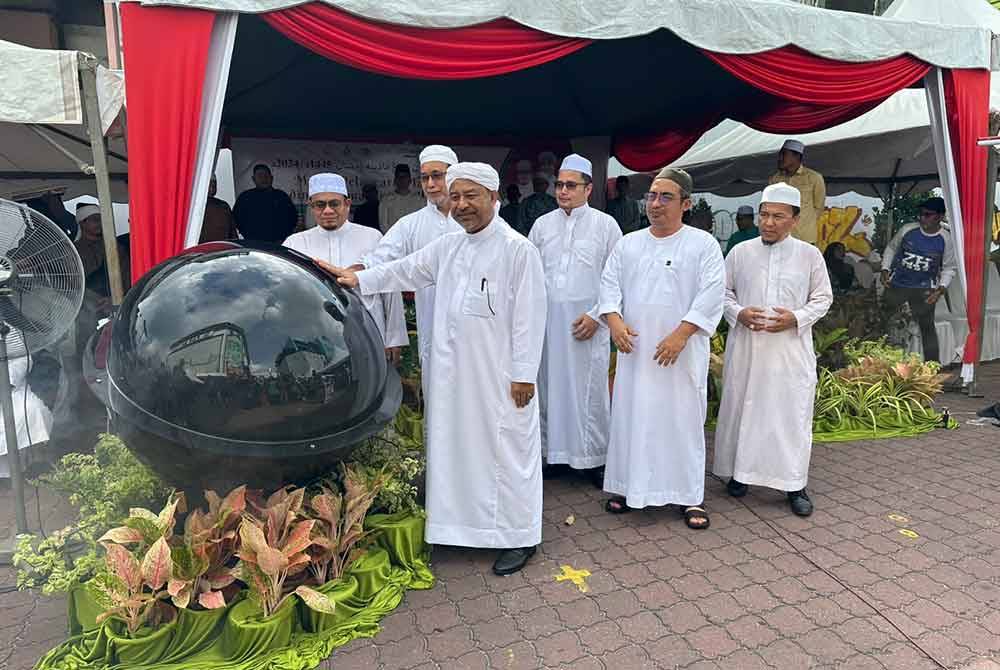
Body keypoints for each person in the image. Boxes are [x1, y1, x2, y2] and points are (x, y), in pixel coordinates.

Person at [325, 162, 547, 576]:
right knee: (456, 450)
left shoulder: (518, 250)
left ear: (494, 198)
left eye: (471, 196)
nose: (461, 205)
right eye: (455, 196)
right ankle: (461, 530)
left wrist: (523, 374)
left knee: (509, 453)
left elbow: (530, 320)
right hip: (454, 377)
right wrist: (358, 279)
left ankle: (520, 535)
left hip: (500, 380)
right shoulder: (449, 247)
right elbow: (402, 269)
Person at [598, 168, 724, 529]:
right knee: (631, 416)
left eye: (665, 197)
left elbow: (711, 294)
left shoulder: (703, 244)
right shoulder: (629, 243)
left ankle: (688, 496)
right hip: (635, 352)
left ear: (685, 203)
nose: (655, 203)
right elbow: (608, 287)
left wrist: (682, 335)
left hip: (680, 356)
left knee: (681, 420)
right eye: (652, 195)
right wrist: (615, 322)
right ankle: (627, 486)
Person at [713, 182, 833, 518]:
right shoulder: (740, 252)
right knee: (743, 410)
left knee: (787, 415)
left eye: (778, 216)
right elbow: (722, 294)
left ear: (794, 219)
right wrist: (739, 313)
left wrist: (795, 318)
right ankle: (740, 475)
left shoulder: (809, 255)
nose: (768, 222)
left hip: (789, 351)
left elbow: (823, 298)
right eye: (764, 215)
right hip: (747, 348)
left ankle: (794, 484)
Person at [529, 154, 621, 487]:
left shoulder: (606, 225)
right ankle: (552, 454)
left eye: (571, 185)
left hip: (588, 325)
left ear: (588, 188)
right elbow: (530, 274)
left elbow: (616, 278)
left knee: (590, 390)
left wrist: (598, 315)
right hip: (550, 325)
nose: (563, 191)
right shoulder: (542, 225)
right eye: (559, 185)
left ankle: (593, 458)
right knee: (549, 386)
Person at [358, 145, 463, 395]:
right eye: (425, 177)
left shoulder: (475, 219)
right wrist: (355, 272)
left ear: (454, 175)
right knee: (437, 392)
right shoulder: (412, 223)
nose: (430, 183)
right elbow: (380, 258)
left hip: (476, 325)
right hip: (433, 322)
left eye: (437, 175)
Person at [284, 173, 407, 363]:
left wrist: (394, 339)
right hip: (316, 340)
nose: (328, 211)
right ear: (311, 206)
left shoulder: (372, 237)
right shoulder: (295, 244)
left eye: (334, 203)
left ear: (347, 203)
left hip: (369, 334)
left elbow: (390, 290)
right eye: (320, 205)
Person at [880, 196, 957, 364]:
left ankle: (932, 370)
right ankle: (884, 365)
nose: (922, 218)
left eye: (927, 214)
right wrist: (885, 269)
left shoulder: (946, 239)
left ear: (939, 217)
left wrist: (940, 290)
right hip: (897, 285)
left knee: (927, 328)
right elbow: (891, 248)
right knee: (886, 325)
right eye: (920, 214)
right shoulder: (907, 230)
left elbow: (949, 268)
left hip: (924, 290)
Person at [73, 204, 131, 351]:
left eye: (100, 219)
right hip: (84, 304)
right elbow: (72, 283)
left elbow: (125, 275)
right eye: (94, 219)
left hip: (116, 301)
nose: (99, 223)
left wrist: (116, 298)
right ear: (82, 222)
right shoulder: (73, 251)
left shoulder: (115, 247)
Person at [769, 139, 826, 245]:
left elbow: (819, 207)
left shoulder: (814, 177)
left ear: (797, 157)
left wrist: (803, 223)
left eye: (784, 155)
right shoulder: (775, 179)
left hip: (805, 239)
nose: (780, 159)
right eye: (780, 155)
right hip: (781, 237)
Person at [233, 164, 298, 243]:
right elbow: (236, 220)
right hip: (254, 244)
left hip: (280, 243)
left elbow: (293, 218)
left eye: (266, 175)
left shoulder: (281, 196)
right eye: (260, 176)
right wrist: (248, 235)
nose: (264, 178)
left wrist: (284, 236)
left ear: (272, 178)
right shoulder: (245, 198)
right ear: (253, 179)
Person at [378, 163, 424, 233]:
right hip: (394, 240)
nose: (402, 180)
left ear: (410, 180)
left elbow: (422, 224)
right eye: (399, 177)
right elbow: (383, 225)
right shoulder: (386, 201)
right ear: (395, 180)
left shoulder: (420, 201)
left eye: (405, 177)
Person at [199, 176, 237, 243]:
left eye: (214, 185)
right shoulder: (197, 206)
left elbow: (232, 232)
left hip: (220, 247)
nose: (211, 188)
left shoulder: (223, 206)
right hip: (207, 248)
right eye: (209, 184)